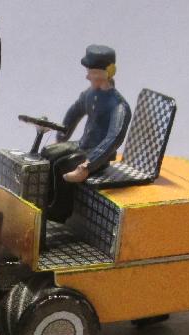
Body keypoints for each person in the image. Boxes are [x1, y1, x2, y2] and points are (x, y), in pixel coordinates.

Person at [41, 44, 131, 222]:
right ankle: (46, 201)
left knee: (63, 165)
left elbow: (113, 138)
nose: (87, 76)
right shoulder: (90, 94)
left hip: (98, 155)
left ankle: (59, 213)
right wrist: (61, 136)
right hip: (83, 144)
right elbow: (74, 111)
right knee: (47, 153)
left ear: (109, 72)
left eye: (93, 72)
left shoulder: (118, 106)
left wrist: (88, 165)